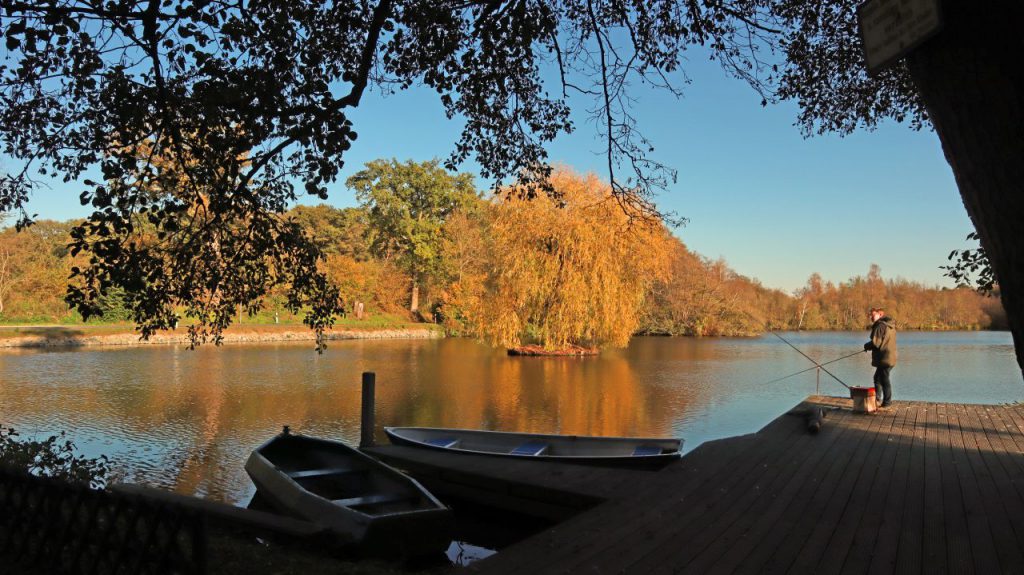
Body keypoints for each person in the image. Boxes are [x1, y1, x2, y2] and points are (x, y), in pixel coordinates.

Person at [864, 307, 897, 408]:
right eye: (870, 315)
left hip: (885, 357)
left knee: (884, 379)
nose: (871, 317)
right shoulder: (889, 325)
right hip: (890, 356)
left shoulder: (880, 326)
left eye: (873, 315)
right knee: (878, 378)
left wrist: (866, 346)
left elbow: (875, 343)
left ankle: (886, 402)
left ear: (880, 315)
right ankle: (878, 399)